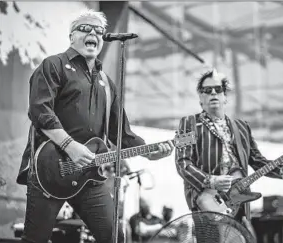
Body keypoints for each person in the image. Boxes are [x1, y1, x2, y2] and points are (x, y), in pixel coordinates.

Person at [16, 9, 174, 243]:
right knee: (36, 238)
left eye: (99, 30)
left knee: (113, 237)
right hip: (48, 168)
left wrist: (150, 152)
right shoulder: (54, 65)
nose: (93, 33)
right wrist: (70, 145)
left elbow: (121, 133)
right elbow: (40, 111)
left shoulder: (107, 84)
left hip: (90, 175)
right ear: (71, 36)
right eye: (85, 28)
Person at [175, 69, 283, 241]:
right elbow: (182, 162)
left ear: (225, 97)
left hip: (239, 201)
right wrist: (210, 180)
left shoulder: (242, 127)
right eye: (207, 90)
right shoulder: (188, 124)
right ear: (200, 98)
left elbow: (258, 161)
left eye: (218, 89)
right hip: (208, 202)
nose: (213, 93)